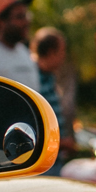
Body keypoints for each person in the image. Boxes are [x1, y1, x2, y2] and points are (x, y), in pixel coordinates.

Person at [32, 27, 73, 174]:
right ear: (50, 52)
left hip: (55, 160)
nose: (64, 56)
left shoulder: (49, 77)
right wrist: (61, 144)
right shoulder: (32, 78)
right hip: (42, 166)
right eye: (61, 51)